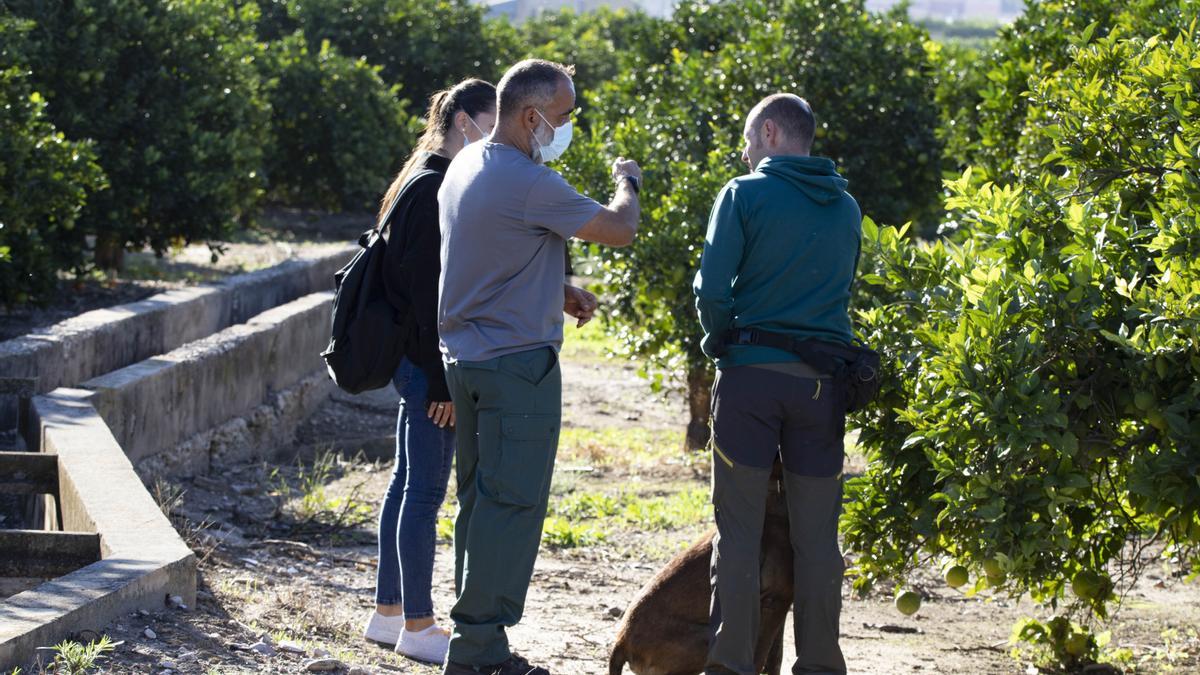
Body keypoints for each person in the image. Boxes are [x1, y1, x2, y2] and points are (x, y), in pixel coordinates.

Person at [436, 58, 642, 675]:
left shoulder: (467, 165)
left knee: (480, 503)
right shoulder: (529, 181)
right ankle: (479, 651)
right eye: (563, 116)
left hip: (467, 362)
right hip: (515, 370)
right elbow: (619, 230)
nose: (566, 126)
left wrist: (556, 289)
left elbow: (488, 256)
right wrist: (629, 181)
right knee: (512, 506)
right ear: (531, 117)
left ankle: (472, 635)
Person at [694, 93, 862, 675]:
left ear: (768, 132)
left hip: (751, 383)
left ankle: (731, 666)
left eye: (746, 142)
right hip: (823, 389)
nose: (744, 155)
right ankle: (819, 665)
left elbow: (712, 291)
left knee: (738, 532)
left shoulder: (743, 195)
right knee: (818, 540)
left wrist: (721, 345)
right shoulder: (846, 206)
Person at [362, 78, 497, 666]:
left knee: (404, 485)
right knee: (423, 494)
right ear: (465, 120)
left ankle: (388, 612)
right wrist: (442, 381)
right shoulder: (434, 186)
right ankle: (418, 624)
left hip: (413, 364)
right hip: (425, 368)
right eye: (493, 121)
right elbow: (426, 296)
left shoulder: (417, 177)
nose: (497, 134)